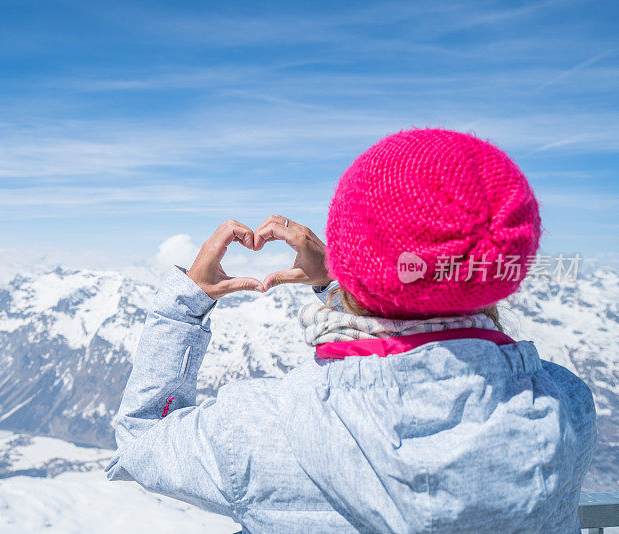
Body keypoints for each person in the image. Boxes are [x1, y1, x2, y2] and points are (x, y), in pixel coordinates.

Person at [105, 128, 596, 533]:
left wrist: (185, 304)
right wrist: (341, 281)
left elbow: (142, 435)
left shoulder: (258, 431)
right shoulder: (566, 407)